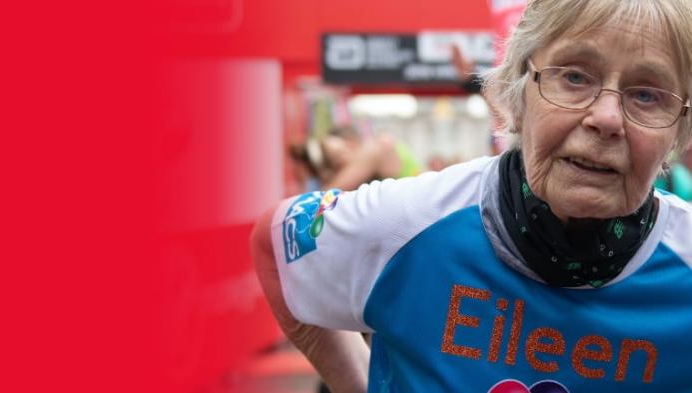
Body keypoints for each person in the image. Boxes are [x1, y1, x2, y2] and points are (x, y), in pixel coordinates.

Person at [251, 0, 692, 391]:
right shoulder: (411, 222)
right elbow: (276, 244)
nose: (606, 117)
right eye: (574, 77)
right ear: (518, 92)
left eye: (647, 95)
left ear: (680, 126)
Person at [290, 126, 421, 191]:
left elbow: (326, 197)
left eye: (346, 145)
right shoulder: (373, 149)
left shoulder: (372, 151)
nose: (350, 147)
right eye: (338, 155)